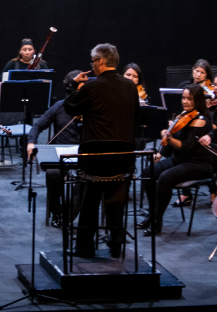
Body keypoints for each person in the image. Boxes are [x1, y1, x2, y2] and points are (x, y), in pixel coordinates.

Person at [64, 43, 137, 257]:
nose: (92, 67)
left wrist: (73, 85)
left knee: (90, 200)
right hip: (123, 159)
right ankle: (116, 245)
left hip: (95, 160)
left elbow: (70, 107)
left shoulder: (91, 87)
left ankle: (85, 248)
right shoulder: (130, 87)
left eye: (93, 62)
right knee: (115, 201)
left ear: (101, 61)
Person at [138, 84, 214, 237]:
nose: (185, 102)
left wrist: (169, 138)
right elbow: (173, 143)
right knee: (148, 172)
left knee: (165, 178)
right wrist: (160, 153)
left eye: (189, 99)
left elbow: (184, 147)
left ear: (198, 100)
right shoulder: (183, 116)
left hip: (198, 163)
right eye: (184, 98)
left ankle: (157, 221)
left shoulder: (201, 120)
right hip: (180, 159)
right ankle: (152, 213)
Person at [27, 70, 83, 227]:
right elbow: (38, 125)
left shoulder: (91, 108)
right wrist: (31, 142)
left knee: (85, 178)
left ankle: (68, 215)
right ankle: (56, 212)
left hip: (83, 153)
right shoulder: (60, 106)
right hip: (61, 153)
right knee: (52, 173)